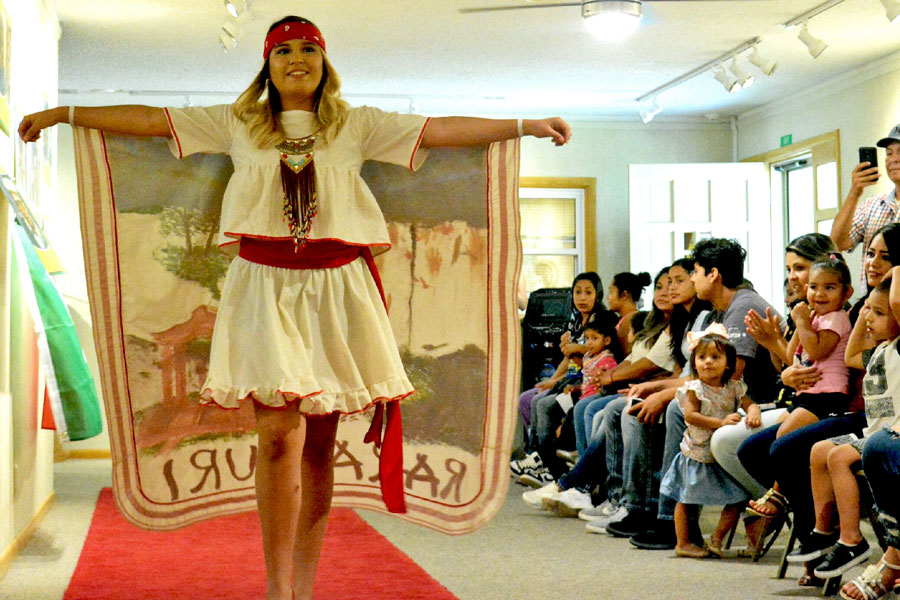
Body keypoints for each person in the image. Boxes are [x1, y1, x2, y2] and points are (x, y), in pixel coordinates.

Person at [19, 17, 572, 600]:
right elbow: (152, 121)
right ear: (268, 63)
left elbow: (437, 130)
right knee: (277, 434)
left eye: (308, 48)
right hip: (261, 286)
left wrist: (522, 125)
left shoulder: (356, 125)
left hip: (337, 288)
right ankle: (276, 583)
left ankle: (302, 584)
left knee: (317, 446)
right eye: (283, 50)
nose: (296, 58)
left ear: (324, 61)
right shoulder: (237, 123)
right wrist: (66, 114)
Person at [790, 275, 900, 579]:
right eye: (867, 310)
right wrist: (867, 310)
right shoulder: (878, 351)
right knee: (819, 450)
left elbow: (898, 302)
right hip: (874, 434)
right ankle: (823, 531)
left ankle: (851, 539)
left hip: (892, 437)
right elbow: (851, 356)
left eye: (879, 313)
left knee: (838, 457)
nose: (868, 318)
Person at [747, 255, 854, 519]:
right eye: (814, 287)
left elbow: (817, 350)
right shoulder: (814, 317)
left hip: (829, 397)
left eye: (829, 287)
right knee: (763, 444)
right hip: (807, 396)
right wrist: (784, 332)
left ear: (846, 292)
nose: (819, 293)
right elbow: (792, 356)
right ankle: (792, 493)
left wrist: (803, 321)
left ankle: (780, 494)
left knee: (784, 439)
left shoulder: (837, 319)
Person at [660, 331, 757, 558]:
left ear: (728, 364)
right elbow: (691, 416)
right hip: (697, 452)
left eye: (715, 357)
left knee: (737, 497)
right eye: (702, 357)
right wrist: (720, 422)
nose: (708, 362)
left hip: (721, 455)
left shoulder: (733, 387)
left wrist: (753, 412)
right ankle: (682, 542)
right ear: (694, 362)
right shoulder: (695, 388)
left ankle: (717, 539)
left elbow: (750, 404)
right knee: (685, 500)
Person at [513, 272, 604, 485]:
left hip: (586, 382)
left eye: (588, 292)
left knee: (544, 404)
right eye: (578, 292)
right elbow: (567, 358)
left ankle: (549, 463)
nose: (582, 298)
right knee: (530, 397)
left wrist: (572, 349)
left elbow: (589, 354)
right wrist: (552, 380)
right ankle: (537, 456)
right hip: (569, 378)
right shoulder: (574, 322)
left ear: (597, 294)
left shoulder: (599, 322)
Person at [832, 124, 900, 282]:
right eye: (889, 153)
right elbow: (836, 243)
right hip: (872, 303)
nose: (894, 159)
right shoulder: (872, 205)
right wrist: (855, 192)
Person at [607, 271, 651, 355]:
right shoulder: (626, 318)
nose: (608, 298)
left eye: (611, 292)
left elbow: (626, 355)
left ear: (624, 295)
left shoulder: (629, 320)